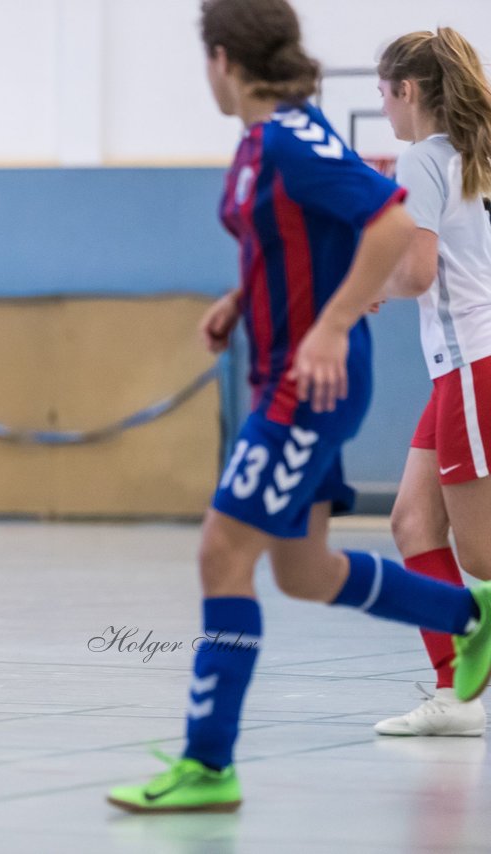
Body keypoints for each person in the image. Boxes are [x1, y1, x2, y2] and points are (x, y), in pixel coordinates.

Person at [107, 0, 491, 812]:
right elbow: (297, 242)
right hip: (291, 373)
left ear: (222, 60)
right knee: (305, 570)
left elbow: (389, 229)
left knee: (221, 554)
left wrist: (335, 324)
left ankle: (209, 766)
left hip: (305, 385)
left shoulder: (290, 137)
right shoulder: (264, 142)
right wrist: (241, 298)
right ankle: (465, 614)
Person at [373, 28, 491, 737]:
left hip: (472, 363)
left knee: (481, 554)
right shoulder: (473, 156)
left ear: (407, 91)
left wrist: (369, 284)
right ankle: (455, 695)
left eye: (383, 97)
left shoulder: (422, 159)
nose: (383, 111)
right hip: (462, 368)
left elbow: (415, 272)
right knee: (412, 522)